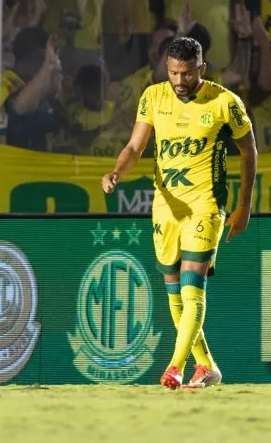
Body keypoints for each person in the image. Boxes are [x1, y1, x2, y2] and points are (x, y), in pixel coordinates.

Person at [101, 36, 257, 391]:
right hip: (165, 206)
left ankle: (175, 366)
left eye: (187, 74)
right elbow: (134, 146)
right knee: (173, 292)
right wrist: (116, 172)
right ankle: (207, 367)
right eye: (173, 72)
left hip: (206, 203)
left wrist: (244, 204)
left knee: (191, 288)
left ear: (201, 68)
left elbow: (249, 151)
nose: (180, 81)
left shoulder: (224, 102)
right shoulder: (153, 97)